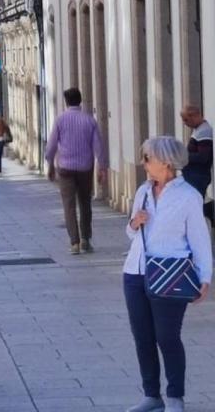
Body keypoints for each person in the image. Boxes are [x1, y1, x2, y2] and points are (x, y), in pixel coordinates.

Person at [122, 136, 211, 412]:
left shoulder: (188, 196)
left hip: (170, 274)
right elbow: (130, 233)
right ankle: (152, 396)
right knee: (143, 338)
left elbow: (200, 240)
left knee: (167, 337)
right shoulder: (143, 192)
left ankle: (174, 397)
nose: (143, 163)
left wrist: (205, 277)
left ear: (166, 162)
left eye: (147, 158)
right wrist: (135, 222)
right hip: (135, 272)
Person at [46, 87, 108, 255]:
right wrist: (102, 167)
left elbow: (51, 145)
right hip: (85, 168)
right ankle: (85, 240)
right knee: (85, 203)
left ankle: (74, 242)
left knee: (68, 205)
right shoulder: (89, 120)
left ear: (66, 102)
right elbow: (98, 146)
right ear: (80, 100)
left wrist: (50, 163)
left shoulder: (60, 120)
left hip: (65, 167)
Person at [180, 105, 213, 197]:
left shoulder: (204, 131)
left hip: (198, 177)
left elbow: (203, 157)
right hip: (194, 176)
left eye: (186, 119)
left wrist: (183, 156)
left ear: (195, 116)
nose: (184, 123)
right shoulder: (199, 130)